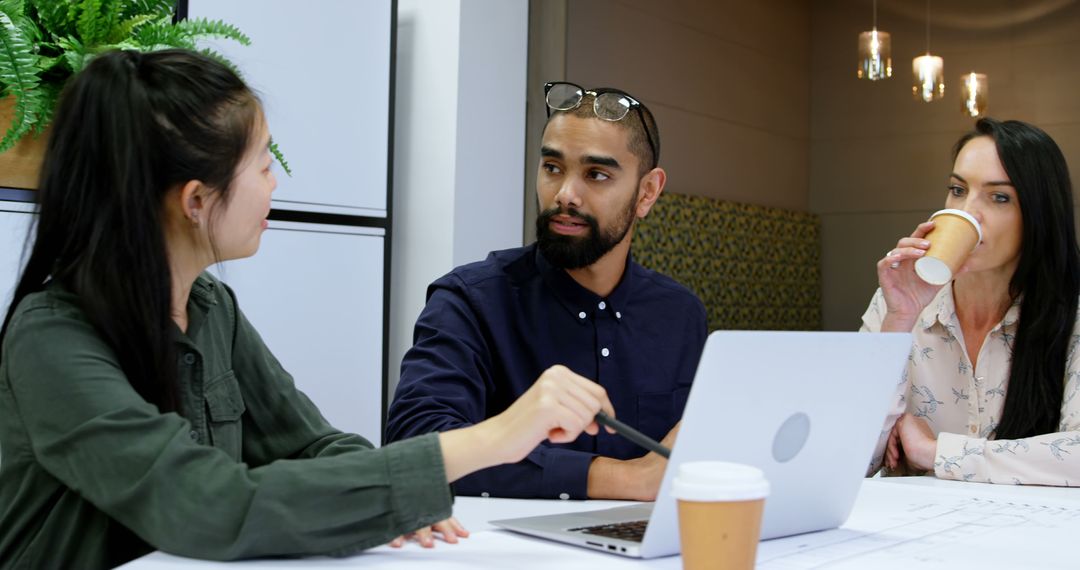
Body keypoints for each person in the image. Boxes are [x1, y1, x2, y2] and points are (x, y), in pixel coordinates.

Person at [0, 50, 618, 569]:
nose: (275, 183)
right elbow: (207, 504)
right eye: (264, 164)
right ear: (195, 200)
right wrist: (494, 437)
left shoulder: (212, 310)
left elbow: (313, 446)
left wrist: (389, 501)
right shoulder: (51, 340)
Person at [386, 82, 708, 501]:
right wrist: (624, 478)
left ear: (647, 192)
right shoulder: (470, 301)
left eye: (596, 174)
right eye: (553, 168)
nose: (565, 195)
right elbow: (415, 448)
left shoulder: (680, 315)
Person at [861, 117, 1080, 486]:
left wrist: (934, 452)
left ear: (1039, 214)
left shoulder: (1070, 312)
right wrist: (899, 319)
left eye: (999, 197)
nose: (967, 212)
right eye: (958, 190)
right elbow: (847, 455)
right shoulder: (896, 303)